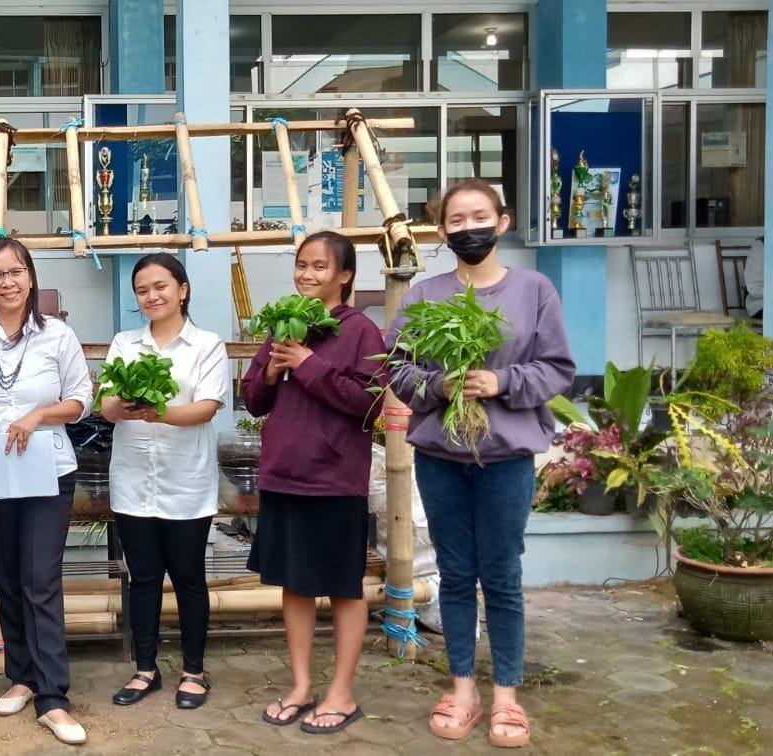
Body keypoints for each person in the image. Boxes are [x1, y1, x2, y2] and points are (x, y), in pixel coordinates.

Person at [388, 179, 574, 749]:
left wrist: (503, 381)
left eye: (479, 216)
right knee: (456, 572)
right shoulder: (425, 295)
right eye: (456, 219)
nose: (469, 227)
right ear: (441, 230)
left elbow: (558, 368)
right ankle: (463, 688)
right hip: (442, 459)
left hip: (506, 457)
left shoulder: (534, 290)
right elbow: (396, 367)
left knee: (503, 576)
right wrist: (438, 385)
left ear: (502, 220)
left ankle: (508, 696)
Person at [0, 237, 92, 746]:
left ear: (31, 277)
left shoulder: (57, 335)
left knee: (40, 577)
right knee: (5, 575)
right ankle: (22, 676)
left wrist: (39, 415)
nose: (8, 282)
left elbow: (80, 401)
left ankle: (53, 696)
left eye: (17, 271)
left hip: (47, 470)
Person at [245, 231, 385, 735]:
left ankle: (342, 694)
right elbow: (254, 401)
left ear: (344, 275)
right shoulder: (287, 324)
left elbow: (370, 402)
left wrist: (309, 365)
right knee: (295, 586)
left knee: (345, 588)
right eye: (301, 265)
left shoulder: (361, 330)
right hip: (284, 475)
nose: (306, 275)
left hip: (335, 480)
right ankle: (301, 685)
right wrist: (270, 370)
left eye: (319, 267)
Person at [100, 254, 228, 710]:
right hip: (134, 480)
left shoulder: (206, 345)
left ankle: (194, 672)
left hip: (186, 482)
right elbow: (107, 405)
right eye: (142, 290)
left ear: (183, 289)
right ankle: (145, 670)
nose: (151, 296)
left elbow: (207, 407)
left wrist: (159, 412)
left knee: (190, 578)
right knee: (144, 578)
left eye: (160, 287)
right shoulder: (125, 343)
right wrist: (120, 406)